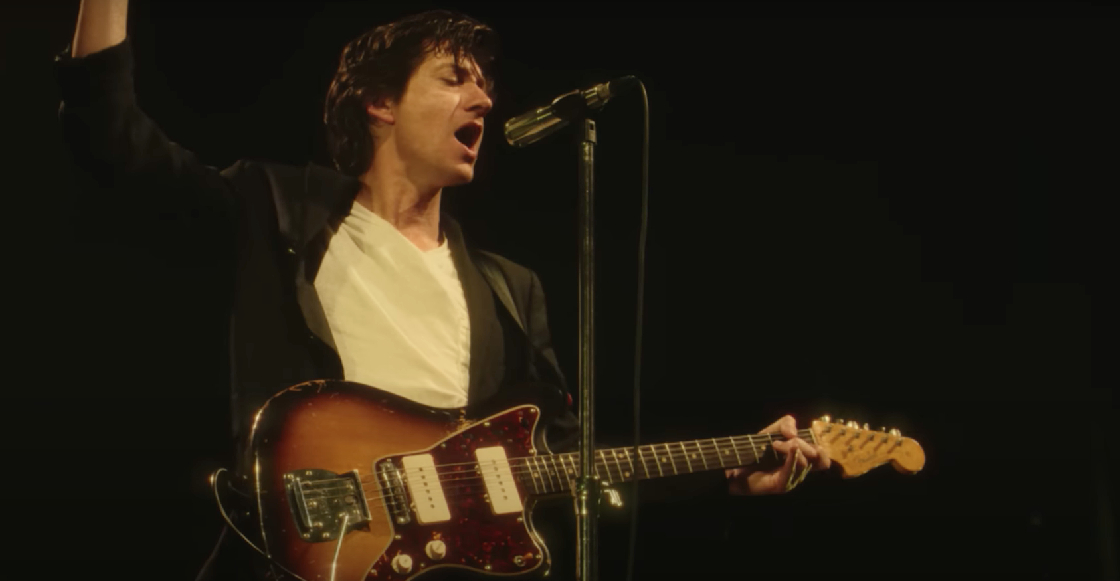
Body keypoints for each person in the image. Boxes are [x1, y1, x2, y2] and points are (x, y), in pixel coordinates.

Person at [57, 1, 830, 579]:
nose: (485, 101)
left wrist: (726, 471)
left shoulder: (509, 288)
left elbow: (567, 462)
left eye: (486, 85)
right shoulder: (278, 208)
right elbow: (115, 147)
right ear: (380, 102)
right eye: (455, 78)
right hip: (292, 555)